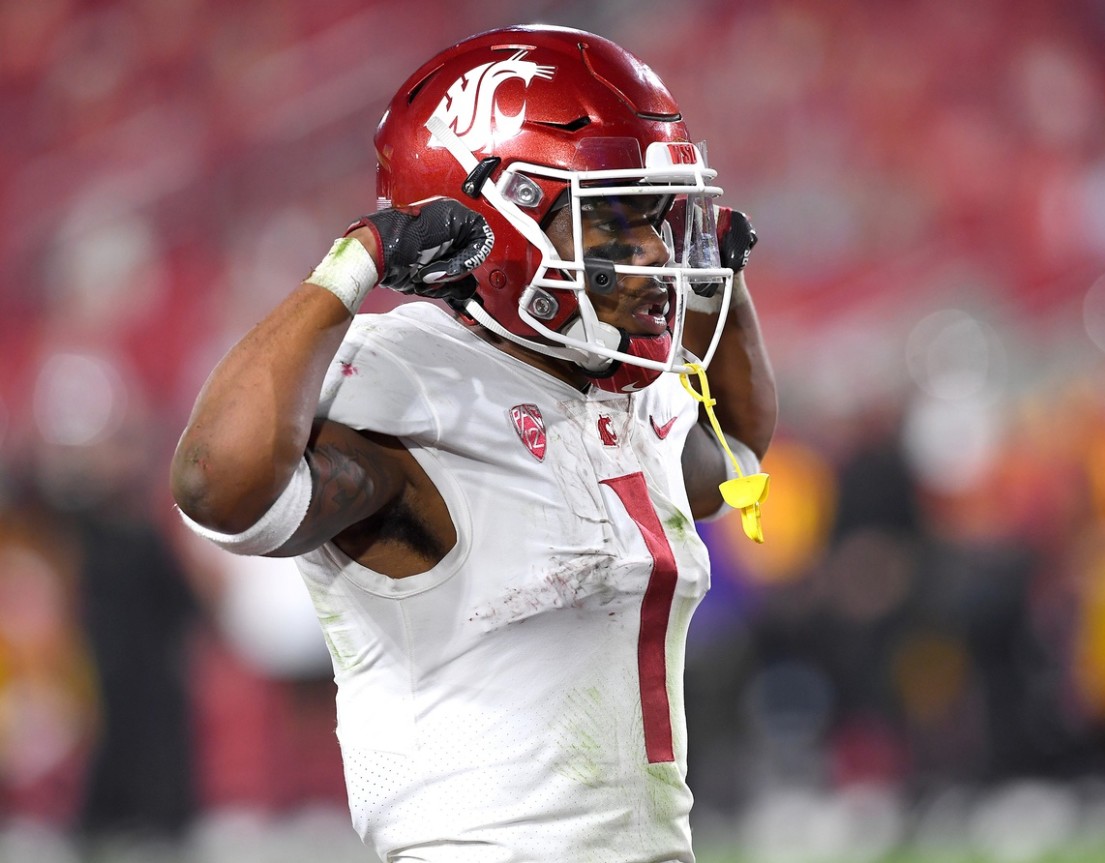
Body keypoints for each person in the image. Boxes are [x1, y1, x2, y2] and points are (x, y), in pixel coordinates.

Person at [170, 23, 776, 862]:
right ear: (492, 223)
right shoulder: (412, 383)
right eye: (612, 223)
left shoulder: (609, 382)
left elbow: (735, 450)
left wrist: (721, 276)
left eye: (660, 219)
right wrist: (357, 261)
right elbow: (216, 484)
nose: (653, 253)